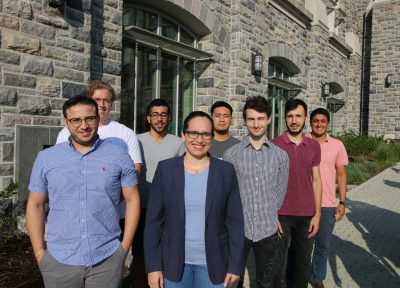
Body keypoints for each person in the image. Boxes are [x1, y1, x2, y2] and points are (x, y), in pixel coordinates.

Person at [26, 95, 141, 288]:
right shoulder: (46, 158)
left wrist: (123, 249)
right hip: (59, 260)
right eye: (76, 120)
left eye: (89, 118)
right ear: (66, 122)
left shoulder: (119, 155)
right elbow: (35, 204)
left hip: (107, 259)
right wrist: (39, 253)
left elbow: (132, 200)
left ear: (98, 118)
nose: (84, 125)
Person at [144, 111, 244, 288]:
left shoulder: (225, 171)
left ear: (211, 138)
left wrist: (235, 266)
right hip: (173, 265)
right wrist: (153, 266)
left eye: (205, 134)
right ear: (184, 135)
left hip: (215, 266)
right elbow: (153, 222)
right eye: (193, 133)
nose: (199, 139)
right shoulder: (166, 170)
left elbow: (235, 223)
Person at [56, 80, 142, 232]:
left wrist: (111, 200)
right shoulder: (65, 133)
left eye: (106, 100)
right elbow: (61, 170)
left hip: (114, 215)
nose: (102, 104)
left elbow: (135, 169)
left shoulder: (125, 133)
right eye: (97, 100)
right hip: (75, 213)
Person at [224, 96, 289, 288]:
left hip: (267, 230)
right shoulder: (231, 154)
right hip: (238, 230)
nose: (256, 124)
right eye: (251, 119)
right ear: (245, 121)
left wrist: (270, 212)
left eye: (260, 118)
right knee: (233, 280)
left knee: (265, 282)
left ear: (269, 119)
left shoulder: (281, 156)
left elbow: (280, 190)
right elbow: (228, 192)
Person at [131, 99, 184, 288]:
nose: (159, 119)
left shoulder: (178, 143)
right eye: (155, 114)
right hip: (141, 206)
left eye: (163, 114)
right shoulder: (136, 140)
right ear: (148, 118)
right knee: (140, 254)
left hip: (167, 209)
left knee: (164, 252)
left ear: (169, 118)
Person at [272, 99, 322, 288]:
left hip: (306, 215)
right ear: (285, 118)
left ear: (305, 118)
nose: (294, 120)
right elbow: (268, 183)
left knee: (302, 265)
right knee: (275, 265)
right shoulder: (274, 144)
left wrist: (317, 214)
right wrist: (271, 214)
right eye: (290, 116)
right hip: (280, 214)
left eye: (298, 116)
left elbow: (317, 180)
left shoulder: (313, 146)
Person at [309, 108, 348, 288]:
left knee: (322, 246)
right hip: (304, 204)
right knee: (298, 246)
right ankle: (293, 276)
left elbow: (341, 175)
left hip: (327, 205)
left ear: (328, 124)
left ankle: (317, 278)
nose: (319, 124)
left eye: (323, 121)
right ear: (311, 123)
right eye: (316, 121)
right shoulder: (303, 141)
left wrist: (342, 202)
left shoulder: (337, 145)